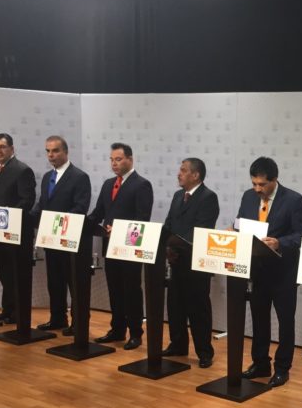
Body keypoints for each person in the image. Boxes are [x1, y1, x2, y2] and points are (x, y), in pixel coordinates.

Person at [236, 157, 302, 387]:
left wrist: (280, 243)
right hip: (257, 270)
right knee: (259, 320)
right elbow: (241, 224)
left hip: (283, 273)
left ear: (275, 180)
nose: (257, 189)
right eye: (254, 184)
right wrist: (234, 229)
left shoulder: (294, 200)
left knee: (285, 322)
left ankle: (282, 368)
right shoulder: (248, 197)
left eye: (262, 184)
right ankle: (260, 363)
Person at [87, 143, 154, 350]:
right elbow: (98, 213)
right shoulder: (108, 184)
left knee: (131, 290)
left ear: (130, 160)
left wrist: (119, 230)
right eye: (111, 160)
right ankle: (117, 329)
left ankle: (135, 333)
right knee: (114, 289)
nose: (114, 163)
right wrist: (81, 224)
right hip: (110, 246)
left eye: (118, 159)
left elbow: (142, 219)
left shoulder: (142, 185)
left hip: (130, 248)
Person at [162, 158, 220, 368]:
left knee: (198, 309)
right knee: (175, 306)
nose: (179, 173)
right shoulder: (178, 196)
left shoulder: (208, 197)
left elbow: (201, 229)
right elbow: (169, 224)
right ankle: (178, 344)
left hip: (196, 263)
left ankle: (204, 352)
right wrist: (166, 247)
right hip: (176, 261)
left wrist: (176, 246)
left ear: (196, 175)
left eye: (183, 170)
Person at [31, 136, 91, 335]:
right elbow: (43, 204)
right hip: (51, 239)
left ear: (65, 152)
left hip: (70, 240)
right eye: (48, 151)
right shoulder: (47, 176)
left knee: (74, 283)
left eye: (55, 151)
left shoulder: (79, 177)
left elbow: (80, 208)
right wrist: (28, 218)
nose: (51, 155)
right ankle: (57, 318)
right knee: (55, 281)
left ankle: (78, 322)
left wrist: (57, 224)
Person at [0, 133, 37, 324]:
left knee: (16, 273)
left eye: (2, 147)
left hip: (16, 232)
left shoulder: (22, 170)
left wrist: (9, 218)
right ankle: (8, 310)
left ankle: (18, 313)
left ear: (12, 148)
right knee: (4, 272)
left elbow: (27, 200)